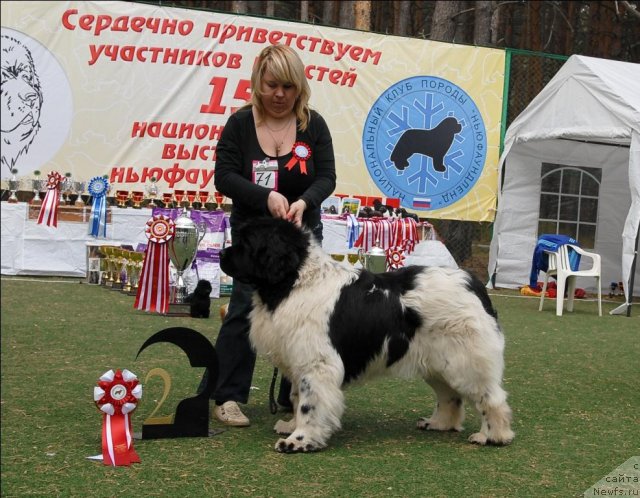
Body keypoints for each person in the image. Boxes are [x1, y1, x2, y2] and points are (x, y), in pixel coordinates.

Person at [205, 44, 336, 427]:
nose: (280, 95)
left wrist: (304, 202)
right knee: (245, 310)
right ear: (258, 83)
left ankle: (298, 397)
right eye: (272, 85)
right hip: (253, 239)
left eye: (289, 87)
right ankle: (228, 395)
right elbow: (224, 177)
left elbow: (326, 177)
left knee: (306, 317)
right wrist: (267, 196)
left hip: (302, 238)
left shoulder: (315, 125)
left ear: (300, 88)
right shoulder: (240, 124)